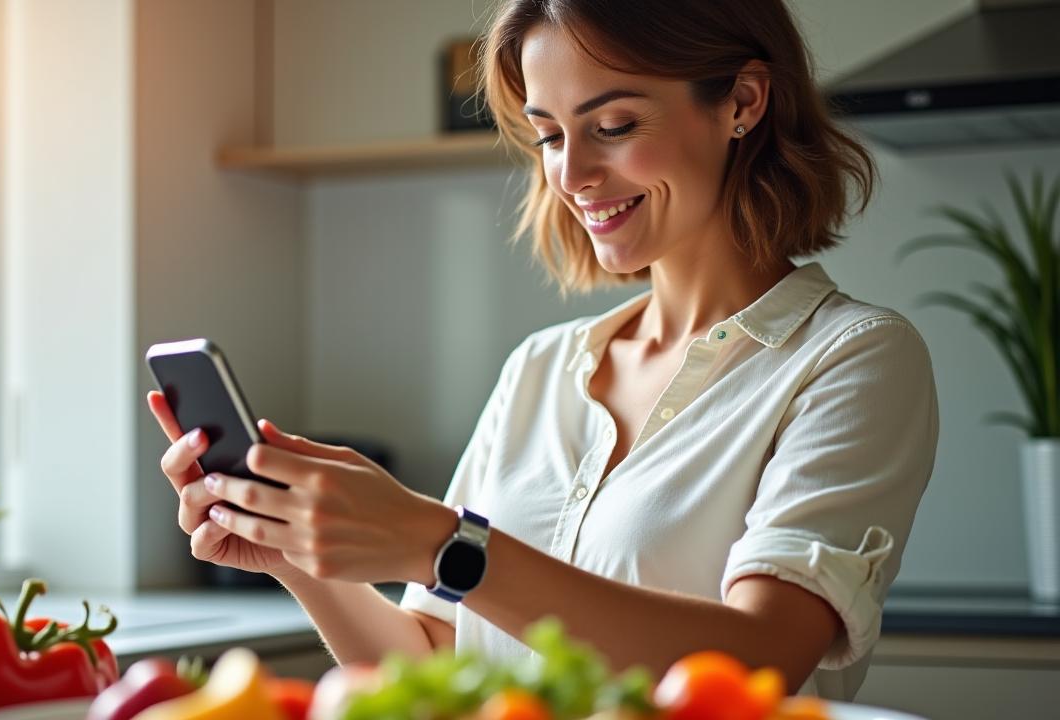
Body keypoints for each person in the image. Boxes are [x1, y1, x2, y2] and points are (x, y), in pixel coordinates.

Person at [147, 0, 938, 702]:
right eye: (550, 134)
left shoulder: (852, 357)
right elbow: (431, 666)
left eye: (614, 126)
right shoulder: (541, 367)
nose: (573, 174)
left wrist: (442, 544)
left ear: (742, 100)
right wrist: (296, 554)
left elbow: (763, 659)